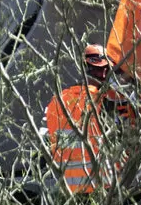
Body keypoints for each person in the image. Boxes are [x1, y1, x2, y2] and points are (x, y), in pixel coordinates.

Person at [45, 45, 119, 195]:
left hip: (66, 191)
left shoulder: (56, 101)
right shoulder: (101, 102)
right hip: (99, 189)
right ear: (105, 72)